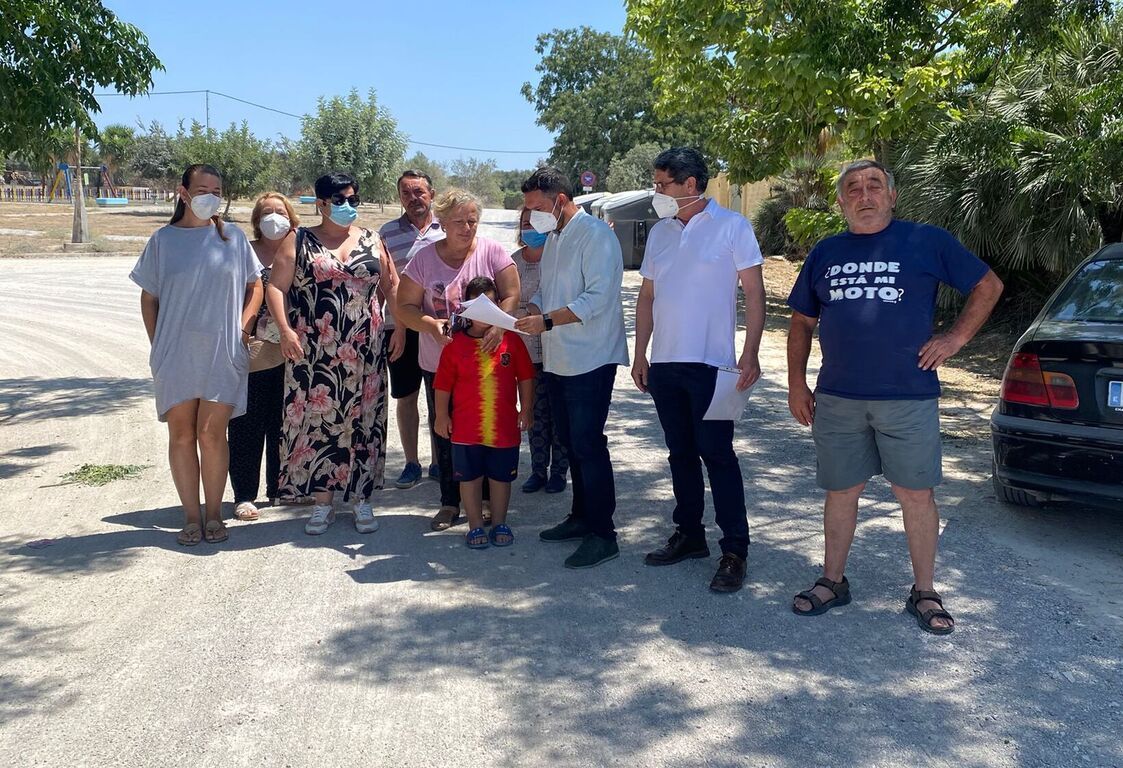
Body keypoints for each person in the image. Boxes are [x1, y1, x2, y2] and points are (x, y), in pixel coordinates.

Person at [786, 159, 1003, 634]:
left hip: (908, 397)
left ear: (891, 195)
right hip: (838, 398)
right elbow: (802, 322)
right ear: (841, 201)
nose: (864, 194)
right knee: (841, 492)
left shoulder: (926, 241)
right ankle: (832, 581)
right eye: (853, 188)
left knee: (916, 494)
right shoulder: (826, 252)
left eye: (874, 186)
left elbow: (988, 285)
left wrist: (955, 340)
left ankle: (924, 591)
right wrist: (797, 383)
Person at [631, 147, 765, 593]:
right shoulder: (660, 233)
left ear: (690, 185)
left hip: (714, 366)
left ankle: (735, 551)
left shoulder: (732, 227)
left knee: (718, 456)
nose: (657, 193)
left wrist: (750, 353)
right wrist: (640, 353)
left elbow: (755, 294)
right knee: (680, 454)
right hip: (666, 365)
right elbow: (647, 297)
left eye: (662, 185)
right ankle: (689, 534)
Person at [130, 163, 263, 545]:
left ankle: (214, 514)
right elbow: (148, 297)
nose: (210, 196)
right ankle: (191, 516)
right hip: (175, 354)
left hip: (223, 351)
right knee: (182, 435)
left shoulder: (233, 238)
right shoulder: (162, 241)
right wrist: (159, 346)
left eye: (217, 190)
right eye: (203, 189)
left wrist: (244, 326)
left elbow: (255, 285)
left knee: (211, 433)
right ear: (183, 193)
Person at [267, 171, 398, 536]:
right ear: (320, 203)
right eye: (339, 200)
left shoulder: (373, 239)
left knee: (364, 420)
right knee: (319, 424)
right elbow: (275, 287)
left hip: (366, 351)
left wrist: (399, 326)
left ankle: (362, 499)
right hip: (315, 353)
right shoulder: (299, 240)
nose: (347, 206)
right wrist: (286, 330)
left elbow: (392, 286)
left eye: (353, 200)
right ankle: (322, 503)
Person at [515, 166, 628, 570]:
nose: (532, 218)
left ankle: (604, 535)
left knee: (588, 444)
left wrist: (545, 321)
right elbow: (548, 290)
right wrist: (530, 308)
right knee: (571, 442)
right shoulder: (555, 238)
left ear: (560, 200)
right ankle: (581, 518)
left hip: (592, 358)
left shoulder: (596, 236)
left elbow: (597, 298)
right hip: (560, 357)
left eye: (538, 208)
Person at [398, 188, 520, 531]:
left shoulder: (493, 251)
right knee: (446, 430)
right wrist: (429, 325)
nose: (467, 228)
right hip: (439, 364)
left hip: (486, 364)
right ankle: (449, 502)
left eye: (472, 220)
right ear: (441, 222)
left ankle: (483, 500)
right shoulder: (423, 259)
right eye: (459, 222)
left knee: (484, 427)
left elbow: (512, 294)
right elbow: (404, 307)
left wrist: (500, 323)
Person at [433, 276, 535, 549]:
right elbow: (442, 384)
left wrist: (526, 408)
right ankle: (475, 526)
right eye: (477, 306)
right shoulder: (454, 345)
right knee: (469, 478)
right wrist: (441, 415)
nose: (484, 313)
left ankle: (500, 522)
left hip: (504, 428)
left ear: (499, 306)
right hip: (465, 430)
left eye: (490, 304)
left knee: (501, 478)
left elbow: (525, 377)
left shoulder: (511, 341)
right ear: (466, 308)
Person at [227, 192, 298, 522]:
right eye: (267, 212)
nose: (274, 218)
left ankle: (281, 487)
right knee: (246, 422)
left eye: (280, 212)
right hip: (254, 350)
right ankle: (243, 494)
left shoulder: (300, 248)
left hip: (294, 350)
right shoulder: (244, 252)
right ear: (256, 220)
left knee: (285, 421)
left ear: (291, 217)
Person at [378, 170, 445, 489]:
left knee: (439, 396)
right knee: (405, 396)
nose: (413, 198)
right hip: (398, 328)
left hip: (438, 328)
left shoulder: (447, 228)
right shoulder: (386, 233)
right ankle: (411, 463)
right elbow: (385, 283)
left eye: (419, 192)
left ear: (431, 194)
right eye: (406, 193)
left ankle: (439, 461)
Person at [511, 207, 569, 494]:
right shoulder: (511, 263)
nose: (529, 229)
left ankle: (559, 471)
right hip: (524, 350)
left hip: (554, 346)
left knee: (559, 414)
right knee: (533, 412)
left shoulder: (557, 257)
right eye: (524, 224)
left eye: (534, 223)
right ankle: (537, 470)